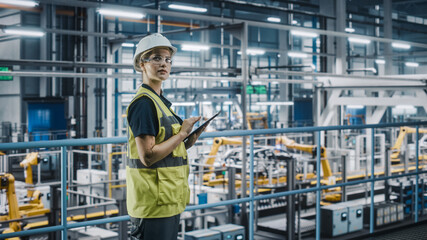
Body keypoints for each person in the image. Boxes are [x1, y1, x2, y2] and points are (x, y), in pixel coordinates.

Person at [126, 33, 206, 240]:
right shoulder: (144, 104)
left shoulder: (160, 102)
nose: (164, 64)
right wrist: (182, 134)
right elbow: (149, 156)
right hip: (153, 203)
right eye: (156, 58)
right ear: (141, 64)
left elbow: (165, 150)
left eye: (167, 59)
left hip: (167, 199)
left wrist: (187, 141)